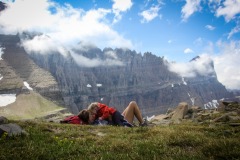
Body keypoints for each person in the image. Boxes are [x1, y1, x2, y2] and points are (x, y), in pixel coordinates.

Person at [81, 101, 147, 127]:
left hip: (115, 118)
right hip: (118, 123)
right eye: (91, 115)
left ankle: (142, 122)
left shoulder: (96, 118)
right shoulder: (95, 122)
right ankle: (143, 124)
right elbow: (109, 120)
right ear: (88, 119)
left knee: (131, 104)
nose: (93, 115)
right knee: (133, 104)